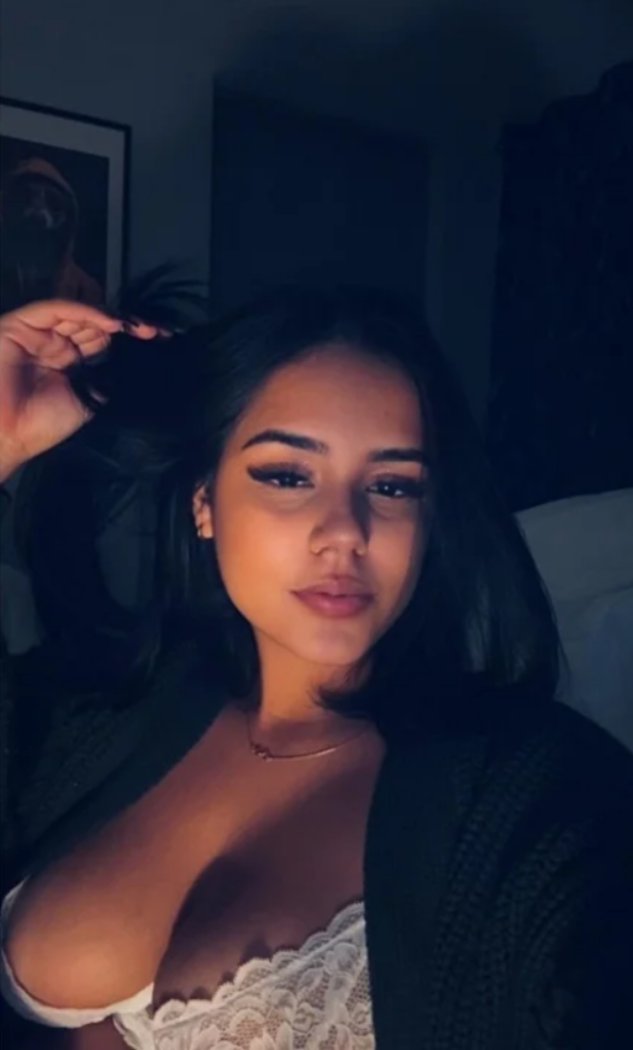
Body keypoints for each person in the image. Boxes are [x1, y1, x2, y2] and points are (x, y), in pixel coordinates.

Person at [0, 291, 632, 1050]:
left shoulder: (542, 800)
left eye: (391, 487)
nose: (344, 532)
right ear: (204, 502)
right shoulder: (107, 710)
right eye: (287, 476)